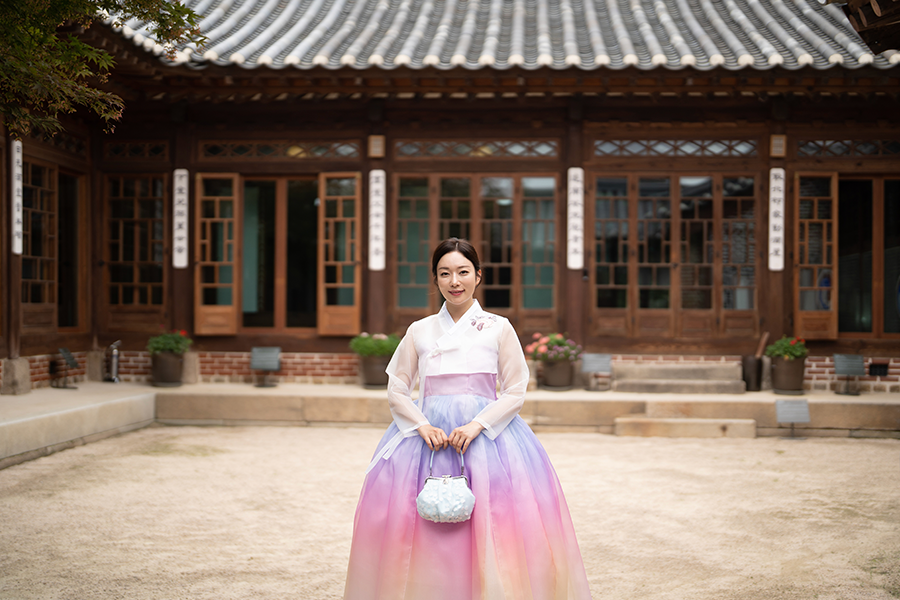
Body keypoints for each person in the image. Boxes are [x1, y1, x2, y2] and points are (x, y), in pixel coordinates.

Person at [343, 238, 592, 600]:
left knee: (495, 520)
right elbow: (397, 387)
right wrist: (420, 424)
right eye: (445, 273)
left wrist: (478, 424)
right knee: (420, 526)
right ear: (436, 280)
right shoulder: (420, 330)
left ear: (478, 275)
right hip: (429, 436)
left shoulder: (498, 327)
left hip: (488, 437)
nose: (454, 281)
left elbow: (515, 388)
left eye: (462, 272)